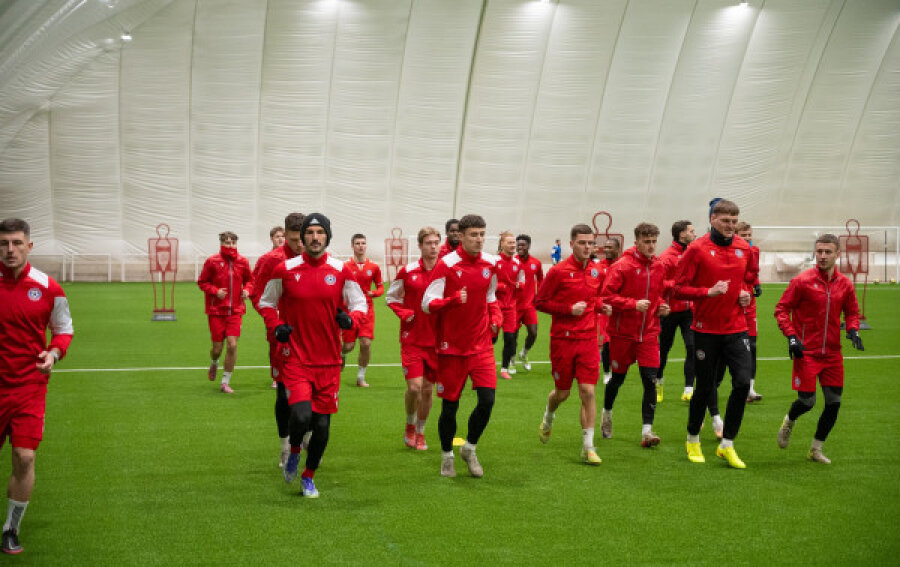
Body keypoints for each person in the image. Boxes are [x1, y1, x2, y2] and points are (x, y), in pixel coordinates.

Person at [258, 213, 368, 498]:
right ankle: (294, 450)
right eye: (310, 232)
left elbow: (361, 303)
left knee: (321, 425)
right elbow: (266, 302)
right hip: (295, 357)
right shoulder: (285, 269)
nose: (315, 237)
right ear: (303, 237)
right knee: (300, 415)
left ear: (327, 236)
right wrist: (276, 326)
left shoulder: (341, 270)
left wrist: (351, 320)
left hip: (329, 361)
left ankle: (308, 476)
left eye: (320, 232)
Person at [0, 218, 74, 555]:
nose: (10, 250)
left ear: (29, 246)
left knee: (25, 457)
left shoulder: (49, 288)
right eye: (4, 243)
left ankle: (11, 528)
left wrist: (54, 353)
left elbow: (64, 329)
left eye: (16, 243)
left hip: (29, 385)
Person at [673, 198, 754, 469]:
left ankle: (727, 444)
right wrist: (708, 292)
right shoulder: (696, 249)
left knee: (742, 384)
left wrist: (745, 294)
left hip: (737, 328)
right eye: (725, 221)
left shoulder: (744, 248)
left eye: (734, 221)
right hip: (705, 330)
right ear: (712, 220)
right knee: (705, 387)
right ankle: (693, 439)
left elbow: (747, 281)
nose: (730, 226)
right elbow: (677, 289)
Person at [422, 214, 502, 478]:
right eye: (474, 235)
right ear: (461, 236)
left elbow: (490, 295)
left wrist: (496, 316)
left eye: (482, 234)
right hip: (451, 349)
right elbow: (427, 303)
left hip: (481, 346)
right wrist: (452, 300)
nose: (479, 240)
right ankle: (447, 456)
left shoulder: (490, 263)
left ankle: (470, 448)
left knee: (487, 400)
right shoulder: (446, 265)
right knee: (450, 407)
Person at [774, 234, 862, 464]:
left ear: (837, 254)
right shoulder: (802, 281)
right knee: (807, 402)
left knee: (834, 402)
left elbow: (852, 312)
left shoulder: (845, 284)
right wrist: (792, 337)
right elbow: (781, 310)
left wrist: (853, 329)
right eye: (819, 251)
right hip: (806, 352)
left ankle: (816, 449)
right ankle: (789, 420)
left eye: (827, 252)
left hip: (832, 353)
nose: (822, 256)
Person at [535, 224, 611, 464]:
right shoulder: (558, 272)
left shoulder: (598, 271)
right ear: (571, 244)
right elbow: (540, 302)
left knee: (588, 391)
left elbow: (594, 298)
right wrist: (568, 309)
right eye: (582, 243)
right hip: (563, 341)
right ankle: (548, 416)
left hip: (588, 340)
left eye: (590, 243)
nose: (587, 247)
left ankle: (588, 447)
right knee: (562, 393)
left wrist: (601, 306)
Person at [599, 223, 670, 447]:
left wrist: (662, 306)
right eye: (646, 242)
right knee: (617, 379)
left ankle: (647, 431)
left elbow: (658, 295)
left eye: (654, 242)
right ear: (637, 241)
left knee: (650, 380)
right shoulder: (622, 266)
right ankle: (607, 413)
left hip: (649, 334)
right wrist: (633, 304)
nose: (651, 246)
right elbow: (606, 296)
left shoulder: (659, 266)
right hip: (623, 335)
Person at [251, 213, 305, 467]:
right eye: (294, 240)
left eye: (302, 239)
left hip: (313, 336)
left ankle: (307, 435)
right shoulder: (271, 261)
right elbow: (258, 296)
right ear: (285, 235)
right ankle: (285, 446)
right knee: (284, 394)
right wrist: (275, 324)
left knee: (314, 390)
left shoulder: (316, 257)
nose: (300, 245)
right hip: (282, 338)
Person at [385, 227, 441, 451]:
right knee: (415, 387)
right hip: (412, 338)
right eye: (428, 243)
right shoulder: (407, 271)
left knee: (428, 389)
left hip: (437, 340)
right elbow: (391, 297)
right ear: (420, 246)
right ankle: (409, 424)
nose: (433, 247)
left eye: (436, 242)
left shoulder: (446, 271)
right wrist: (403, 312)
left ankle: (421, 431)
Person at [197, 231, 252, 394]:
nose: (231, 246)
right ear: (221, 243)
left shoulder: (243, 261)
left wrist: (247, 290)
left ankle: (225, 382)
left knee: (232, 345)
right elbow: (202, 282)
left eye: (233, 243)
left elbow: (250, 280)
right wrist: (215, 291)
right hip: (216, 311)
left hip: (236, 310)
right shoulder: (212, 261)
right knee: (217, 349)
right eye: (227, 243)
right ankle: (214, 362)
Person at [657, 220, 697, 403]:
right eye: (691, 231)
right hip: (670, 311)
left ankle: (689, 388)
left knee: (692, 347)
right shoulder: (667, 257)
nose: (694, 234)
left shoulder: (693, 253)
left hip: (689, 310)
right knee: (664, 349)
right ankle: (658, 384)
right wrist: (676, 284)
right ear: (682, 234)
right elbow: (659, 283)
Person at [342, 234, 384, 388]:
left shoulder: (374, 267)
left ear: (366, 246)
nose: (361, 246)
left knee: (365, 343)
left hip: (367, 310)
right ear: (352, 246)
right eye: (357, 243)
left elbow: (380, 287)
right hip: (350, 310)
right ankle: (342, 354)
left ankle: (360, 377)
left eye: (363, 243)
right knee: (349, 346)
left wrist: (375, 293)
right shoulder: (345, 266)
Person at [736, 222, 763, 402]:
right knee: (734, 348)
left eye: (749, 235)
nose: (747, 238)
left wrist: (757, 284)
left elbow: (754, 272)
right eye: (743, 235)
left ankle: (750, 389)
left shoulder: (755, 250)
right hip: (734, 303)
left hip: (750, 304)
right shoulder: (732, 251)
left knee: (752, 346)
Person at [496, 231, 522, 380]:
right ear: (502, 244)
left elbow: (522, 280)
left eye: (514, 243)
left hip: (511, 307)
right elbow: (487, 284)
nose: (513, 245)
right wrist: (500, 286)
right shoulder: (494, 262)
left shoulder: (517, 263)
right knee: (491, 339)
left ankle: (504, 369)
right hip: (495, 306)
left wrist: (520, 285)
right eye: (510, 242)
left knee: (510, 338)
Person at [515, 234, 543, 371]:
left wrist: (539, 295)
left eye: (523, 245)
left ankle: (524, 353)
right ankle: (511, 359)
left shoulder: (536, 263)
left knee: (533, 333)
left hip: (529, 305)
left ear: (529, 246)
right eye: (518, 245)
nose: (520, 247)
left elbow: (541, 279)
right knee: (512, 336)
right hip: (514, 306)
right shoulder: (513, 262)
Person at [598, 238, 622, 384]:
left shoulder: (623, 265)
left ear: (618, 249)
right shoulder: (599, 267)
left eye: (610, 247)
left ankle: (617, 369)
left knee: (618, 342)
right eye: (605, 247)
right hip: (605, 310)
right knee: (607, 341)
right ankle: (607, 372)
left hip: (620, 309)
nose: (606, 250)